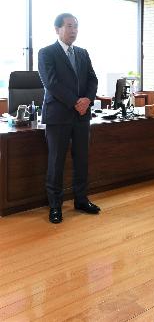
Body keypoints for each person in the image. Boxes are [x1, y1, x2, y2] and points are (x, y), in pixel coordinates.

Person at [38, 13, 100, 224]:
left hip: (82, 116)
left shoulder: (82, 53)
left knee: (82, 159)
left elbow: (93, 79)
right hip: (58, 116)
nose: (73, 30)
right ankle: (55, 206)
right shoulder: (46, 53)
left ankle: (81, 200)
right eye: (69, 26)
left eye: (76, 26)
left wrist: (87, 100)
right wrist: (75, 101)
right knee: (56, 161)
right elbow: (51, 83)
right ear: (57, 29)